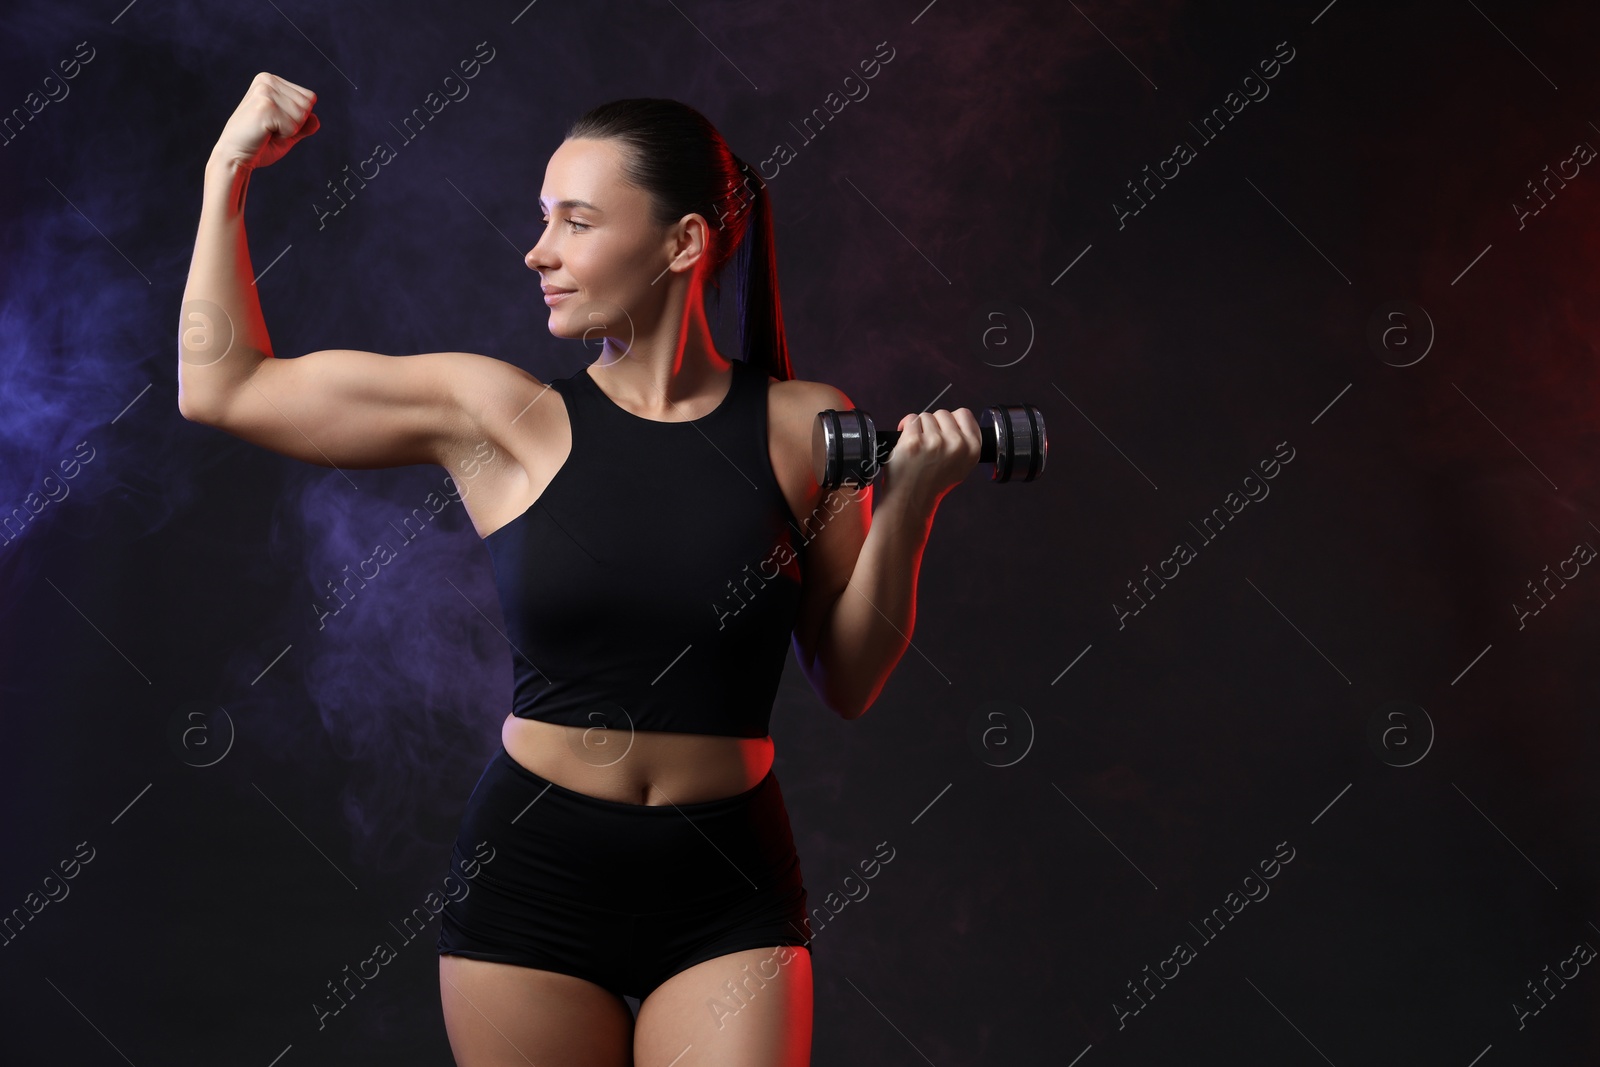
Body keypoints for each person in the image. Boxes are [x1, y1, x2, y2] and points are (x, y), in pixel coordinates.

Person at [179, 72, 983, 1067]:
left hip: (726, 880)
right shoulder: (501, 420)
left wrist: (909, 502)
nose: (539, 250)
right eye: (541, 218)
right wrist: (228, 172)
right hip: (536, 875)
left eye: (575, 220)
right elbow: (223, 386)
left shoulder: (800, 425)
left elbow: (850, 679)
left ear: (683, 242)